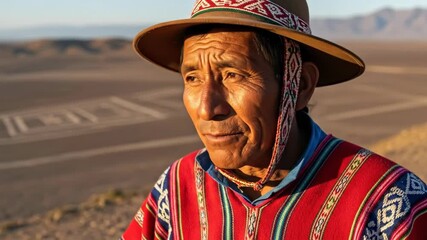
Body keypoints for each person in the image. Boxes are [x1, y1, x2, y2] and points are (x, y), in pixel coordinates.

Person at [121, 0, 427, 239]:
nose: (206, 108)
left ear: (301, 85)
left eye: (233, 75)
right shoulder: (177, 187)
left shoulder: (389, 200)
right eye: (193, 77)